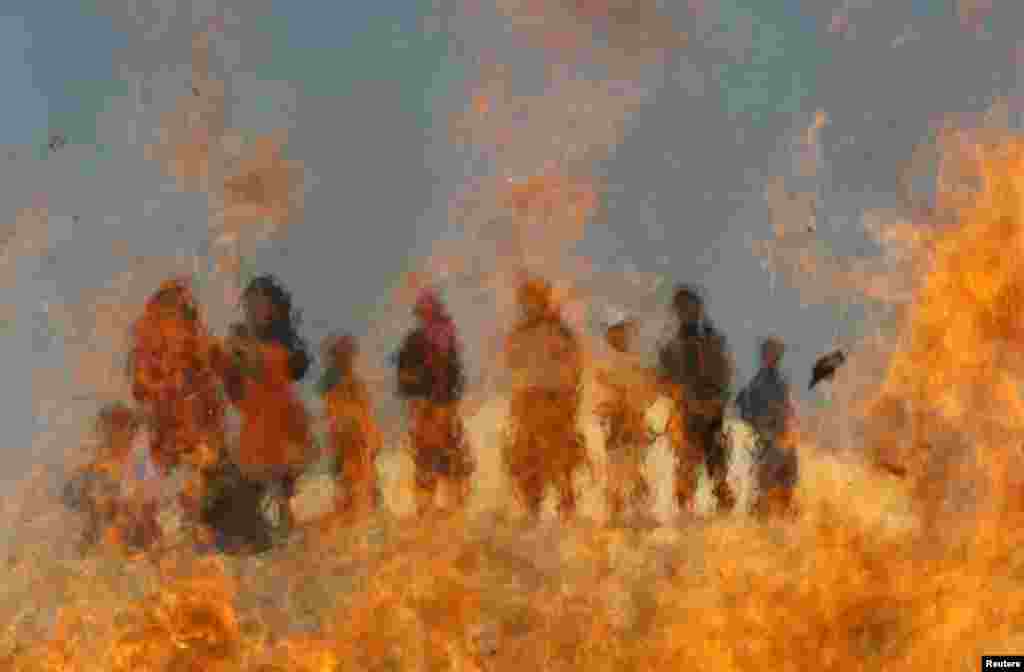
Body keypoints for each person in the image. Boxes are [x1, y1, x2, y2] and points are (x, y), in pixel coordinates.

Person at [215, 274, 313, 546]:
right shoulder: (242, 338)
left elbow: (271, 369)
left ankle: (282, 523)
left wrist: (241, 354)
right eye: (250, 305)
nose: (254, 311)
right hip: (256, 417)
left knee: (278, 478)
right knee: (256, 481)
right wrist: (228, 363)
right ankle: (260, 527)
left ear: (274, 308)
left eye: (261, 305)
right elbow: (236, 386)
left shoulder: (280, 343)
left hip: (280, 417)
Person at [128, 277, 226, 544]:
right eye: (165, 313)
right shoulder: (148, 348)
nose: (171, 322)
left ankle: (194, 527)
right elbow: (140, 388)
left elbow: (212, 383)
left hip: (193, 425)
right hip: (165, 428)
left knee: (196, 476)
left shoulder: (198, 344)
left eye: (176, 313)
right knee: (149, 484)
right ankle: (154, 531)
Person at [502, 277, 588, 522]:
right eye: (527, 301)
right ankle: (533, 508)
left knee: (561, 455)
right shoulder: (519, 334)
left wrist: (569, 395)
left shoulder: (560, 331)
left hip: (556, 399)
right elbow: (513, 365)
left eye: (535, 300)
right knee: (528, 456)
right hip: (529, 401)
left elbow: (574, 364)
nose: (530, 306)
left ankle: (567, 508)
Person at [394, 288, 474, 515]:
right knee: (426, 454)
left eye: (429, 311)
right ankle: (426, 507)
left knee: (450, 452)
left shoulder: (448, 338)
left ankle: (454, 506)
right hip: (425, 406)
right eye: (423, 312)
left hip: (443, 406)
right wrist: (417, 399)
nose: (426, 316)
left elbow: (455, 374)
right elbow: (403, 376)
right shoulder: (414, 341)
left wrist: (449, 401)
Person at [657, 284, 735, 514]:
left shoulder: (713, 341)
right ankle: (684, 510)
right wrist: (681, 397)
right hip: (686, 412)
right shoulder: (672, 346)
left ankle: (722, 507)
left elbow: (724, 373)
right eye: (682, 308)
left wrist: (716, 401)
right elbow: (665, 379)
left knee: (716, 463)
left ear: (698, 309)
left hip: (711, 412)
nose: (687, 312)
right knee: (686, 465)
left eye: (691, 307)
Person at [62, 403, 163, 555]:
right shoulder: (94, 468)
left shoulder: (141, 464)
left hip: (135, 538)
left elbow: (148, 504)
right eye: (107, 430)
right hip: (105, 536)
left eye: (117, 429)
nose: (109, 435)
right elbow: (72, 497)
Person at [593, 310, 660, 524]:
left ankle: (639, 513)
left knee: (634, 468)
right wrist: (611, 405)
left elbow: (647, 392)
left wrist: (638, 408)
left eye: (622, 333)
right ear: (609, 336)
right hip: (616, 423)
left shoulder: (635, 362)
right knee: (615, 469)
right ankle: (615, 514)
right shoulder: (604, 363)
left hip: (633, 422)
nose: (620, 337)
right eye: (615, 333)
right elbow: (600, 396)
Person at [319, 332, 382, 523]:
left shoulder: (353, 384)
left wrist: (371, 439)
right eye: (340, 355)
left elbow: (363, 415)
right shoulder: (336, 386)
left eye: (346, 355)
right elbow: (336, 418)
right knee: (350, 487)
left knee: (360, 487)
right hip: (349, 445)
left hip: (357, 445)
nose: (346, 359)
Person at [736, 336, 798, 514]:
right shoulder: (757, 384)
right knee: (771, 466)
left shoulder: (781, 382)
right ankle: (763, 506)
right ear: (764, 356)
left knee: (789, 463)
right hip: (763, 438)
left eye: (777, 354)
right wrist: (764, 431)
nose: (775, 358)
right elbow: (747, 412)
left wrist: (787, 432)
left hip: (780, 436)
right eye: (771, 354)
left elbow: (788, 410)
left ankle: (784, 504)